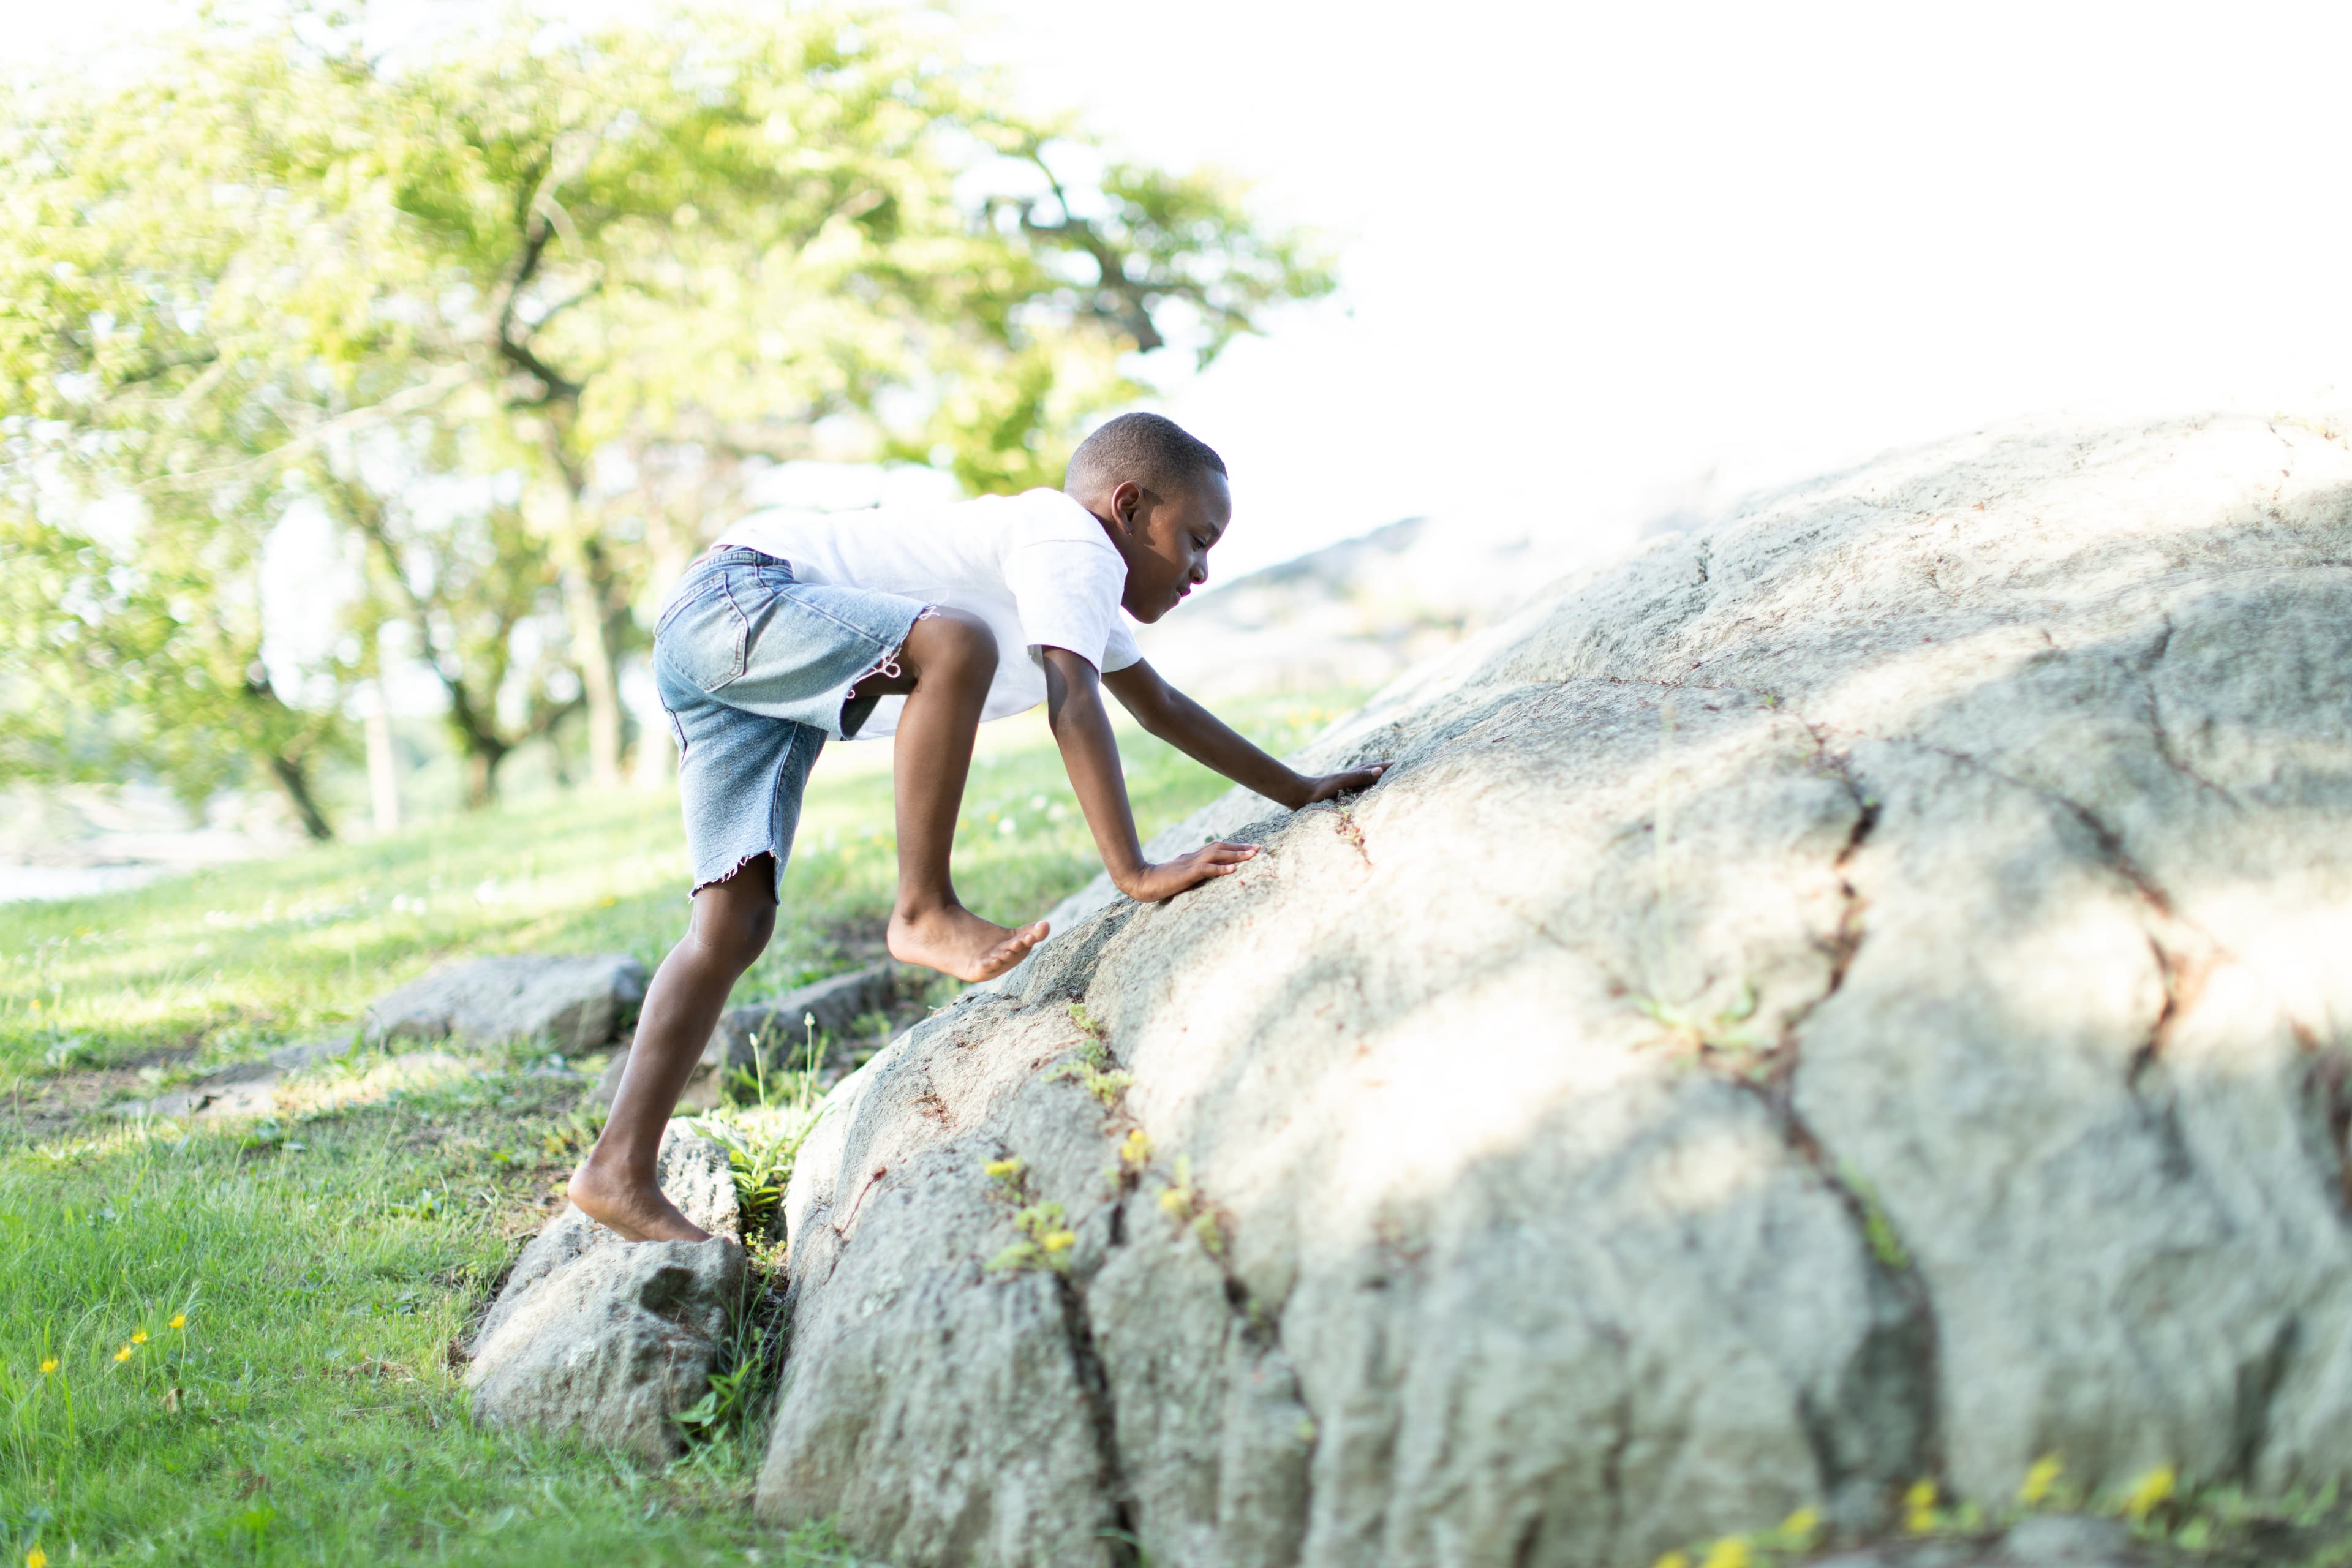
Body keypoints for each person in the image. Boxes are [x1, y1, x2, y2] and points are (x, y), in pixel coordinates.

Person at [569, 413, 1390, 1241]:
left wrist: (1299, 788)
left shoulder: (1074, 582)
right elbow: (1075, 707)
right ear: (1131, 508)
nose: (1203, 570)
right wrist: (1133, 872)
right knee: (956, 645)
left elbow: (1160, 708)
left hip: (716, 644)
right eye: (1197, 539)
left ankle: (617, 1170)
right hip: (742, 598)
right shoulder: (1073, 541)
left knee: (731, 925)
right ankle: (922, 908)